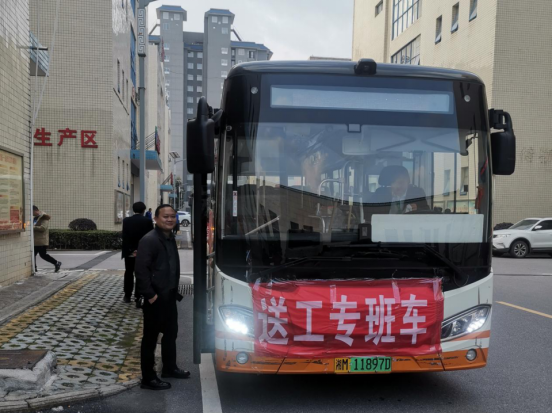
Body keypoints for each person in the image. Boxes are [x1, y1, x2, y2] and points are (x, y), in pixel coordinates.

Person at [135, 204, 190, 391]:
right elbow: (141, 270)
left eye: (172, 216)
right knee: (150, 339)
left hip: (169, 296)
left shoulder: (169, 237)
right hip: (156, 298)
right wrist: (150, 295)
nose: (170, 219)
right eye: (165, 216)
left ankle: (169, 368)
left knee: (171, 334)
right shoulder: (149, 240)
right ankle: (148, 378)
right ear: (156, 218)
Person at [121, 202, 154, 303]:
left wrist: (131, 249)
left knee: (129, 272)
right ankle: (138, 296)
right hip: (143, 252)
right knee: (141, 273)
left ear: (133, 209)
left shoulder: (126, 221)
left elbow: (125, 236)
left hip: (129, 252)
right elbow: (150, 237)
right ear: (144, 210)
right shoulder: (147, 221)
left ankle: (127, 295)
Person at [33, 206, 61, 273]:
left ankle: (56, 263)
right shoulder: (35, 218)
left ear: (35, 210)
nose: (31, 214)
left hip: (41, 240)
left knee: (43, 255)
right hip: (35, 240)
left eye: (32, 212)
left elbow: (43, 228)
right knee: (33, 255)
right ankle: (34, 268)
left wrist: (32, 227)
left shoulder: (44, 217)